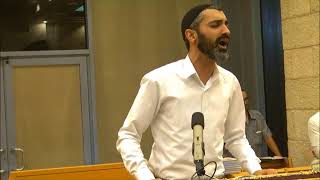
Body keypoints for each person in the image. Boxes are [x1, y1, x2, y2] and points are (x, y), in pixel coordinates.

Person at [116, 4, 275, 179]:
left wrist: (255, 169)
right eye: (215, 25)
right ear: (191, 35)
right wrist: (145, 176)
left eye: (226, 24)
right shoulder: (159, 80)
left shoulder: (230, 82)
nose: (226, 31)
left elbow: (235, 137)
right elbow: (128, 135)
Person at [241, 90, 282, 157]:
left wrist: (281, 158)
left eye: (245, 99)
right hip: (235, 165)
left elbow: (268, 138)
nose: (244, 103)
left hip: (256, 163)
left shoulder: (257, 116)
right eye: (241, 100)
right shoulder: (229, 120)